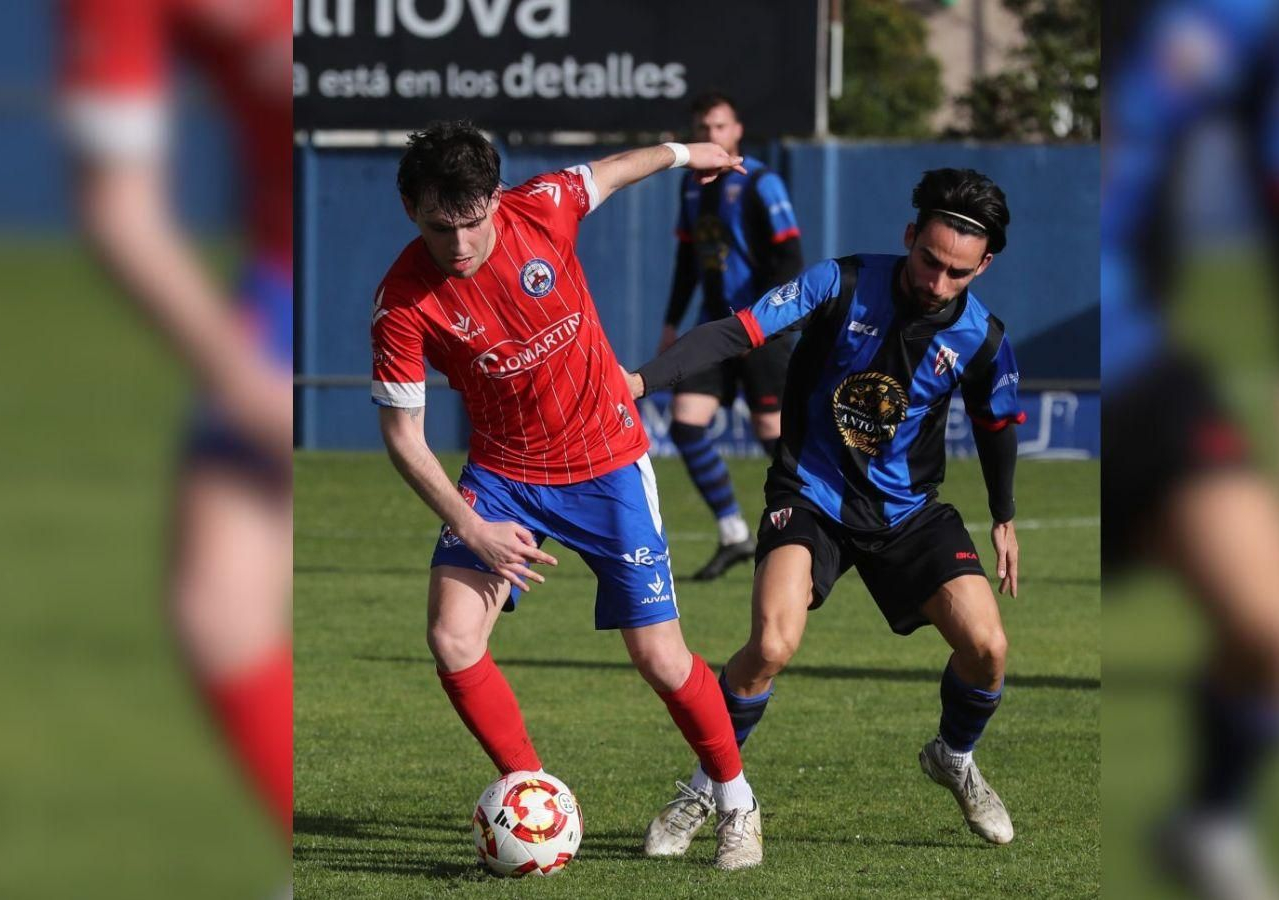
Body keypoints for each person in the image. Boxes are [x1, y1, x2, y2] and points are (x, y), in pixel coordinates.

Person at [368, 122, 765, 870]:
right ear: (409, 209)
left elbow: (615, 170)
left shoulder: (543, 205)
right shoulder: (401, 303)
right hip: (503, 476)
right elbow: (404, 438)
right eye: (436, 227)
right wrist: (471, 526)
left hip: (606, 461)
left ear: (495, 198)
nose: (458, 245)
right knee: (453, 638)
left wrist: (688, 154)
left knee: (660, 657)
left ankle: (736, 801)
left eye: (471, 221)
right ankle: (534, 798)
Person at [624, 168, 1027, 855]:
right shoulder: (838, 282)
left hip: (907, 512)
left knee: (987, 648)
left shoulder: (982, 339)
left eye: (957, 272)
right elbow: (738, 331)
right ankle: (708, 786)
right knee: (772, 646)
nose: (936, 282)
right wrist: (637, 381)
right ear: (909, 237)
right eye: (928, 259)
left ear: (983, 265)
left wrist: (1004, 517)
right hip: (810, 494)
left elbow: (996, 425)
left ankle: (953, 758)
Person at [1103, 0, 1279, 895]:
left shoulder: (1231, 22)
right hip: (1012, 383)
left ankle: (1211, 820)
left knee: (1275, 629)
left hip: (1143, 377)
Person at [61, 0, 293, 852]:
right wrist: (244, 383)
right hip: (285, 282)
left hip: (432, 241)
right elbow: (119, 207)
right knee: (219, 606)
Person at [661, 92, 805, 580]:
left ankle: (819, 527)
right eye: (702, 127)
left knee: (774, 437)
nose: (710, 135)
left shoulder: (761, 182)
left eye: (718, 126)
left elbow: (790, 258)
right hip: (713, 327)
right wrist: (671, 324)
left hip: (760, 329)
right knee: (685, 423)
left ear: (737, 130)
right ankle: (734, 533)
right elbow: (685, 264)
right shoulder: (690, 189)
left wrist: (762, 321)